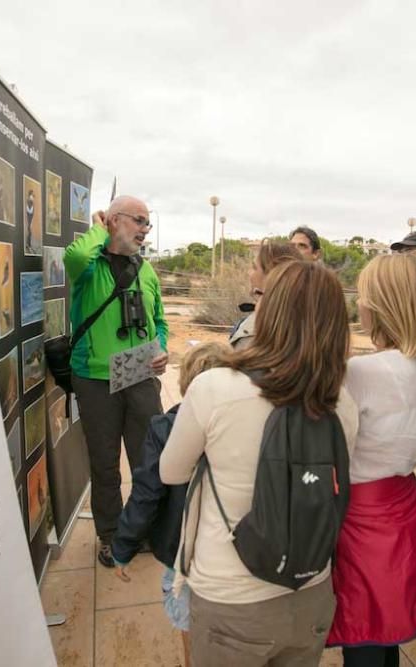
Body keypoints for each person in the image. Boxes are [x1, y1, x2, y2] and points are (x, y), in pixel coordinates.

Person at [160, 261, 359, 667]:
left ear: (270, 313)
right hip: (310, 591)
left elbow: (171, 472)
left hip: (231, 599)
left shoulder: (215, 388)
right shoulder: (344, 404)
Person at [326, 253, 416, 667]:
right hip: (406, 508)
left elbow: (331, 449)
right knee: (387, 629)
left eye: (364, 294)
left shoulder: (360, 372)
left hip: (360, 516)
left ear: (380, 304)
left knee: (362, 634)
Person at [111, 341, 233, 667]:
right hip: (230, 552)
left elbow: (146, 494)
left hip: (182, 552)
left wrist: (123, 546)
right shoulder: (243, 427)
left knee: (188, 623)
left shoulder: (165, 428)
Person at [63, 195, 169, 567]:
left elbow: (160, 321)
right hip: (95, 379)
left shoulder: (147, 270)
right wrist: (98, 228)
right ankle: (111, 536)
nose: (144, 230)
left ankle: (146, 528)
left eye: (147, 224)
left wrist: (163, 349)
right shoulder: (89, 268)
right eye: (138, 221)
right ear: (114, 220)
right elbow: (73, 257)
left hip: (141, 378)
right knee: (104, 463)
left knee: (149, 457)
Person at [229, 242, 301, 349]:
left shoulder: (272, 328)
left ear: (271, 274)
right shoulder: (301, 321)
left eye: (254, 268)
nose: (249, 273)